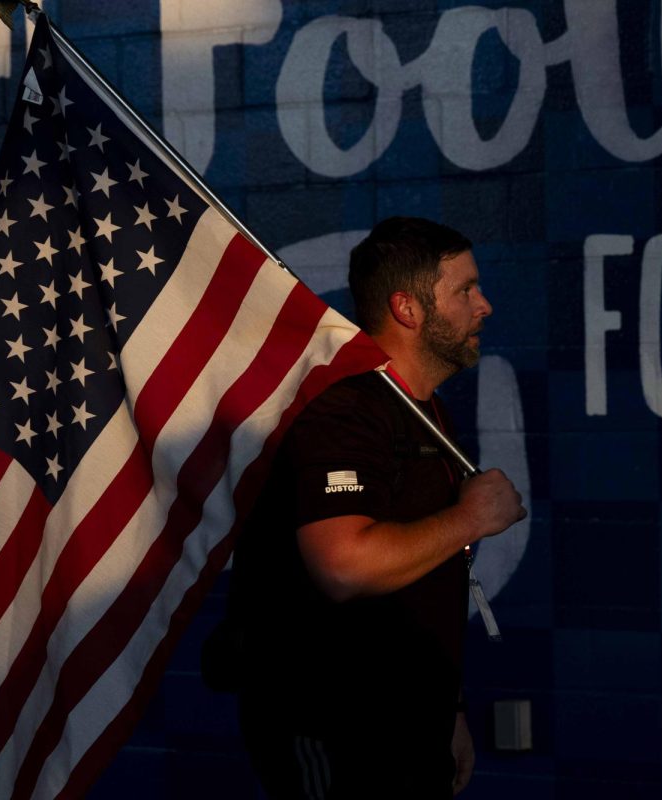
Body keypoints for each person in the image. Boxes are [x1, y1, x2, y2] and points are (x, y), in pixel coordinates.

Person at [222, 217, 526, 799]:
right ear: (407, 309)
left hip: (411, 728)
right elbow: (343, 565)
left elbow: (423, 582)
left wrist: (448, 708)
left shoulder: (425, 412)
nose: (483, 306)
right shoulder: (346, 413)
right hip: (337, 733)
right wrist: (472, 516)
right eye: (465, 289)